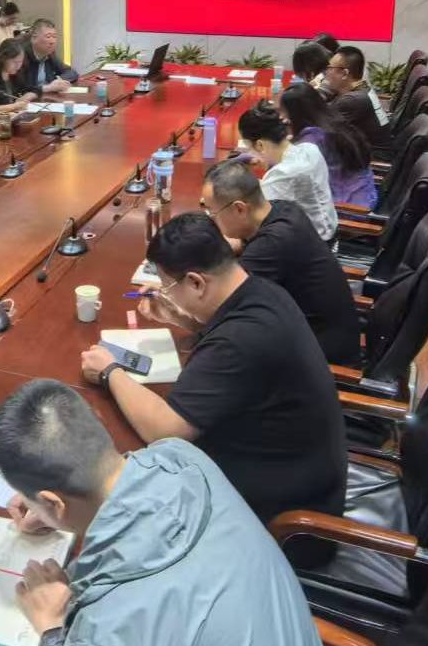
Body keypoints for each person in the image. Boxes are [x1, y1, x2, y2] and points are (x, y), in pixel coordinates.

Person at [0, 379, 344, 646]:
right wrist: (66, 514)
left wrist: (54, 633)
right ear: (96, 421)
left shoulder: (102, 638)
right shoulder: (182, 458)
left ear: (52, 502)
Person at [80, 213, 346, 529]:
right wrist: (181, 318)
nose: (166, 293)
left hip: (281, 514)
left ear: (196, 282)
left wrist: (110, 371)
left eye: (168, 286)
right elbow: (229, 341)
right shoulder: (262, 291)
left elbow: (167, 431)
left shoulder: (238, 340)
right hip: (302, 471)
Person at [200, 158, 360, 364]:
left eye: (212, 213)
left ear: (239, 209)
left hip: (319, 358)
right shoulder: (282, 209)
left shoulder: (271, 245)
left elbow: (221, 307)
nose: (212, 220)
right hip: (320, 334)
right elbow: (244, 242)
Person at [235, 102, 337, 242]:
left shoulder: (282, 174)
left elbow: (256, 218)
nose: (251, 153)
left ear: (260, 145)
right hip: (327, 230)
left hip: (309, 243)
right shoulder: (309, 149)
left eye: (249, 148)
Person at [279, 82, 377, 209]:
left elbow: (290, 179)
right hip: (364, 195)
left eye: (283, 111)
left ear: (294, 113)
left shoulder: (312, 142)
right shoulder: (332, 124)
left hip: (347, 209)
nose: (281, 116)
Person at [17, 18, 78, 96]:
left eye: (54, 37)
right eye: (48, 37)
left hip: (46, 98)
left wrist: (58, 81)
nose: (52, 41)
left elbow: (71, 72)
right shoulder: (21, 56)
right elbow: (21, 89)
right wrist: (49, 87)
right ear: (34, 38)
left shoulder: (49, 54)